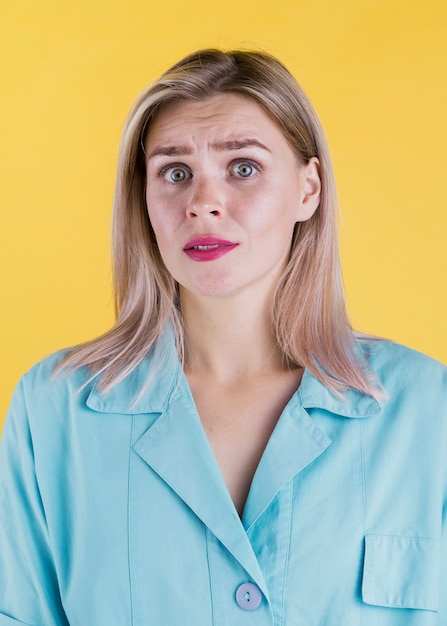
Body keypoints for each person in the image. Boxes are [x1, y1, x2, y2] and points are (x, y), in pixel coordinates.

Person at [0, 49, 446, 626]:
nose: (202, 203)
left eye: (243, 168)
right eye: (175, 173)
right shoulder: (54, 410)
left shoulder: (428, 408)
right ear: (145, 200)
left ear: (308, 190)